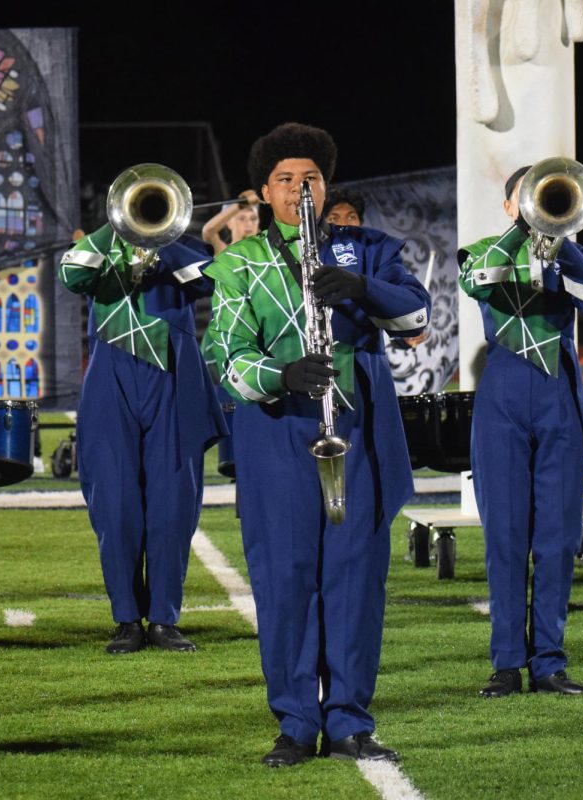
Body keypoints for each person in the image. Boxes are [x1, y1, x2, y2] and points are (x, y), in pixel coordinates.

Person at [204, 122, 430, 767]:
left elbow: (415, 316)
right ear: (262, 193)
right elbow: (224, 352)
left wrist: (362, 287)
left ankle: (351, 720)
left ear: (326, 184)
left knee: (356, 580)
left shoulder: (367, 247)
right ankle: (297, 722)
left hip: (355, 430)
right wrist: (280, 375)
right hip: (279, 432)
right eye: (285, 180)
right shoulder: (239, 262)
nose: (300, 189)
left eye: (311, 178)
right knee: (285, 578)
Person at [458, 165, 583, 700]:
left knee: (558, 538)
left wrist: (560, 240)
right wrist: (522, 229)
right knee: (505, 536)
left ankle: (549, 660)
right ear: (509, 208)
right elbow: (476, 281)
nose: (535, 209)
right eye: (525, 201)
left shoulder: (574, 256)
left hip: (558, 397)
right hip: (503, 390)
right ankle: (506, 662)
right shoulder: (482, 251)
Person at [59, 205, 226, 655]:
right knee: (114, 501)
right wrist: (113, 231)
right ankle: (127, 618)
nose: (140, 220)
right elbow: (70, 273)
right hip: (111, 372)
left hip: (173, 372)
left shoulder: (182, 251)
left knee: (173, 503)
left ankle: (165, 619)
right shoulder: (101, 250)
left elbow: (210, 279)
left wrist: (158, 242)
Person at [201, 190, 261, 256]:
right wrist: (240, 205)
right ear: (229, 223)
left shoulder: (267, 252)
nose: (249, 224)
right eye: (241, 218)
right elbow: (208, 231)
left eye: (253, 218)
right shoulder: (225, 253)